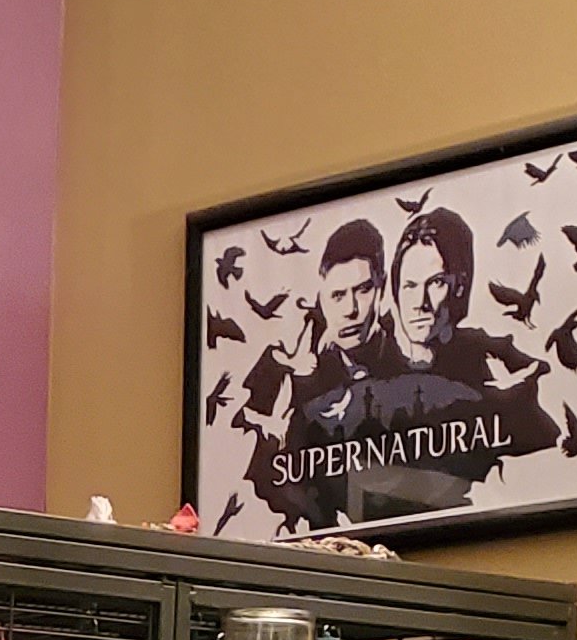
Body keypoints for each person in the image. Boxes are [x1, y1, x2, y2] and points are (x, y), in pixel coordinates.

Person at [308, 202, 556, 520]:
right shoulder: (353, 367)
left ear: (459, 285)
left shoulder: (487, 360)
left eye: (436, 283)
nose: (420, 303)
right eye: (410, 286)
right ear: (394, 289)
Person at [220, 220, 392, 532]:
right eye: (338, 295)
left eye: (363, 290)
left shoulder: (404, 357)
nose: (351, 309)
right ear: (321, 295)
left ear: (382, 285)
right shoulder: (284, 368)